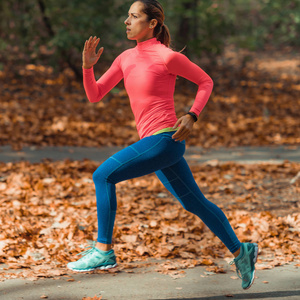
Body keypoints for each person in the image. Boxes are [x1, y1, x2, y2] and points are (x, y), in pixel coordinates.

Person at [67, 0, 258, 290]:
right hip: (154, 143)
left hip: (165, 140)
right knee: (194, 202)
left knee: (102, 175)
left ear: (152, 23)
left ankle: (103, 251)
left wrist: (192, 115)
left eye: (134, 16)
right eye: (127, 16)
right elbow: (95, 94)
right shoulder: (125, 58)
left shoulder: (167, 57)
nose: (126, 21)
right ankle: (241, 251)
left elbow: (206, 81)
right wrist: (87, 68)